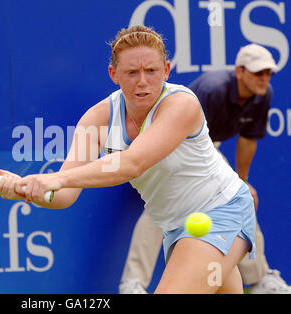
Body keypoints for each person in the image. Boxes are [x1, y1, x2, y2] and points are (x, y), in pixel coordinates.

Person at [0, 25, 257, 293]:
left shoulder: (181, 104)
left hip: (222, 211)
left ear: (167, 69)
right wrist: (23, 189)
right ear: (113, 74)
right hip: (178, 227)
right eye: (131, 72)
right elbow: (65, 195)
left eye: (151, 71)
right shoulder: (97, 120)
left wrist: (54, 178)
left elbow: (131, 163)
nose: (142, 81)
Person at [119, 43, 291, 294]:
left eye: (268, 73)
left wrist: (242, 179)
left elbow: (247, 140)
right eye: (257, 73)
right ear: (239, 72)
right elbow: (187, 138)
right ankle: (132, 284)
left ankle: (259, 280)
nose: (264, 79)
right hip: (167, 139)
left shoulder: (263, 94)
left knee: (237, 196)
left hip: (204, 146)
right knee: (163, 205)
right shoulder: (213, 90)